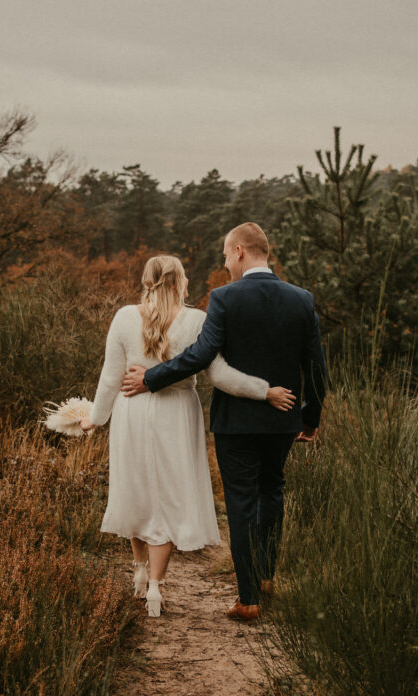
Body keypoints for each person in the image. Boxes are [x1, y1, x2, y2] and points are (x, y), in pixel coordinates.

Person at [121, 223, 327, 623]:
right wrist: (311, 416)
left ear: (238, 251)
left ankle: (248, 597)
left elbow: (200, 356)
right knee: (273, 491)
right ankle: (266, 576)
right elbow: (316, 366)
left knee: (241, 503)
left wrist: (151, 378)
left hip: (236, 422)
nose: (223, 262)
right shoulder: (302, 300)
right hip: (284, 419)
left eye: (224, 255)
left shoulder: (226, 298)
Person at [81, 255, 295, 617]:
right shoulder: (197, 320)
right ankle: (155, 588)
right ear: (181, 282)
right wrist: (265, 391)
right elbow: (221, 375)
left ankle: (139, 572)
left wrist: (95, 418)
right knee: (166, 497)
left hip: (131, 411)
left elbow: (109, 376)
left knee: (136, 489)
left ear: (146, 281)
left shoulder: (123, 317)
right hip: (176, 412)